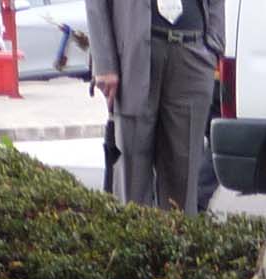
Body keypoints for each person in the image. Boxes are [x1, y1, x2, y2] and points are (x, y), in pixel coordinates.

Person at [85, 0, 224, 215]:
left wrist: (214, 43)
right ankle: (132, 244)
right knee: (132, 179)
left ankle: (176, 245)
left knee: (183, 178)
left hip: (193, 52)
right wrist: (105, 63)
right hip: (133, 56)